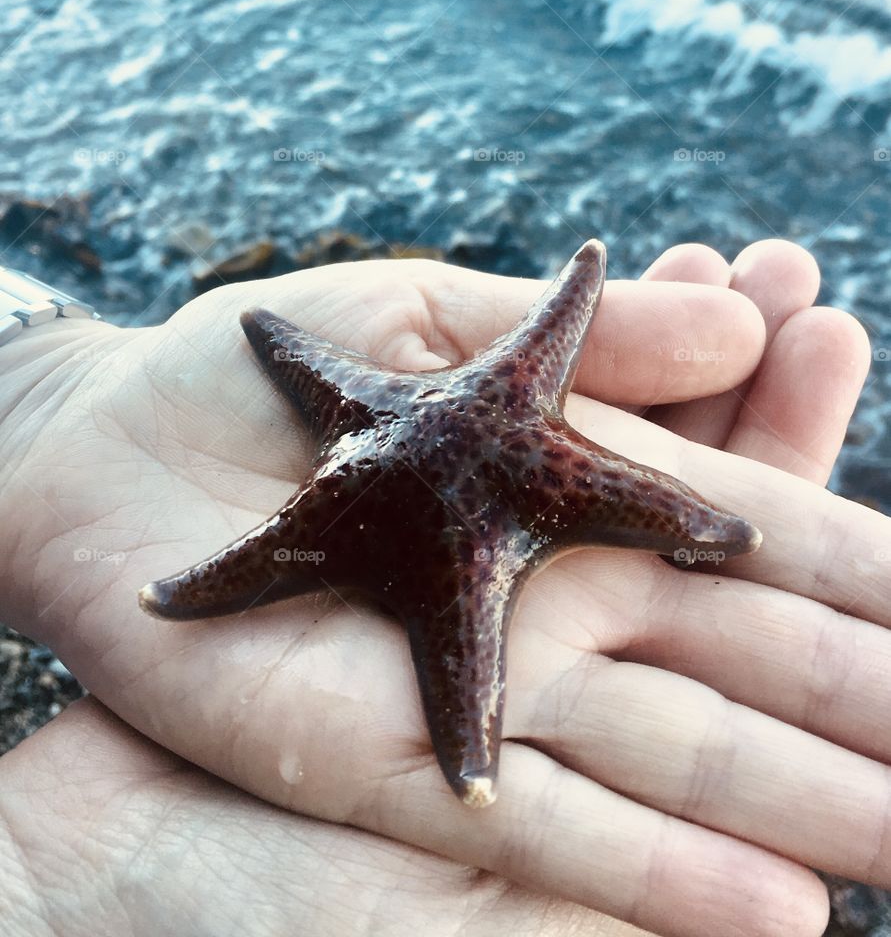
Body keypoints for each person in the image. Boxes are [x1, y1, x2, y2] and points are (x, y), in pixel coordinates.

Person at [0, 236, 885, 937]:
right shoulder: (459, 426)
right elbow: (300, 352)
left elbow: (534, 343)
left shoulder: (446, 408)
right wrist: (39, 392)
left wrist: (32, 389)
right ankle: (469, 762)